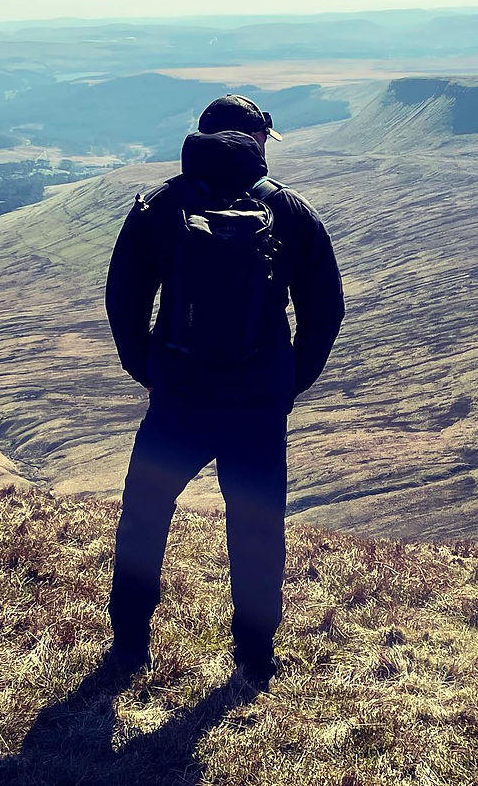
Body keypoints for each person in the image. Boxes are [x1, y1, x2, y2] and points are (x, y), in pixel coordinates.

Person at [103, 94, 344, 689]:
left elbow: (123, 300)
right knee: (257, 527)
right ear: (257, 141)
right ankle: (255, 659)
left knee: (145, 518)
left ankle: (131, 645)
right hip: (258, 402)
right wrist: (286, 382)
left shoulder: (159, 206)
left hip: (179, 395)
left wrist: (154, 371)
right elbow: (326, 311)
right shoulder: (289, 211)